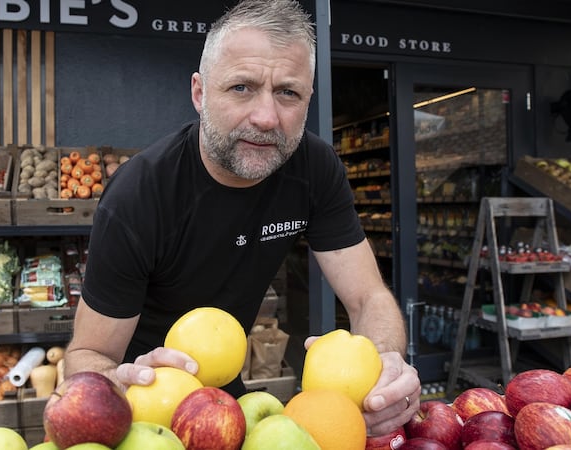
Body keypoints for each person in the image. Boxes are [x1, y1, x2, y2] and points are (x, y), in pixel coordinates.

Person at [64, 0, 420, 436]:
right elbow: (87, 356)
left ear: (308, 100)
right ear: (199, 93)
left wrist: (386, 362)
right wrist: (115, 381)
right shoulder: (140, 194)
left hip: (226, 398)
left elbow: (369, 298)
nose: (266, 117)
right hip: (144, 400)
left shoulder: (315, 167)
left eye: (288, 93)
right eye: (241, 88)